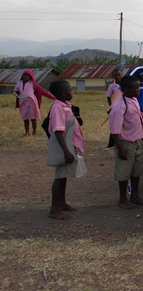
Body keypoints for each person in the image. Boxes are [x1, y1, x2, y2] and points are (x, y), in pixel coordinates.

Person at [111, 48, 143, 193]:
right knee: (132, 150)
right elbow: (121, 88)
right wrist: (113, 105)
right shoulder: (137, 71)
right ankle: (129, 182)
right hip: (132, 118)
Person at [109, 76, 143, 210]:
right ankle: (122, 199)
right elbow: (115, 130)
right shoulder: (119, 106)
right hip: (126, 143)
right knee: (124, 172)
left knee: (136, 171)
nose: (139, 90)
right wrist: (120, 149)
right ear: (126, 89)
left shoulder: (134, 100)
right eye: (136, 88)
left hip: (137, 141)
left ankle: (135, 196)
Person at [46, 81, 83, 220]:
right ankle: (54, 209)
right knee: (59, 176)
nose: (72, 93)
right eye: (70, 91)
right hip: (64, 145)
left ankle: (61, 203)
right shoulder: (58, 108)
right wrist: (66, 151)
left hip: (69, 144)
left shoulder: (65, 106)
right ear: (63, 93)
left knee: (64, 175)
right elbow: (58, 130)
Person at [14, 69, 55, 136]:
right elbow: (15, 91)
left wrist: (53, 97)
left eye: (28, 75)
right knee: (25, 118)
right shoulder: (19, 83)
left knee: (33, 118)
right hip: (23, 102)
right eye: (24, 75)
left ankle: (34, 132)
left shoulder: (33, 83)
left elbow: (43, 91)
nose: (26, 76)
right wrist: (17, 95)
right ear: (22, 76)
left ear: (31, 76)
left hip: (32, 102)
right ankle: (27, 132)